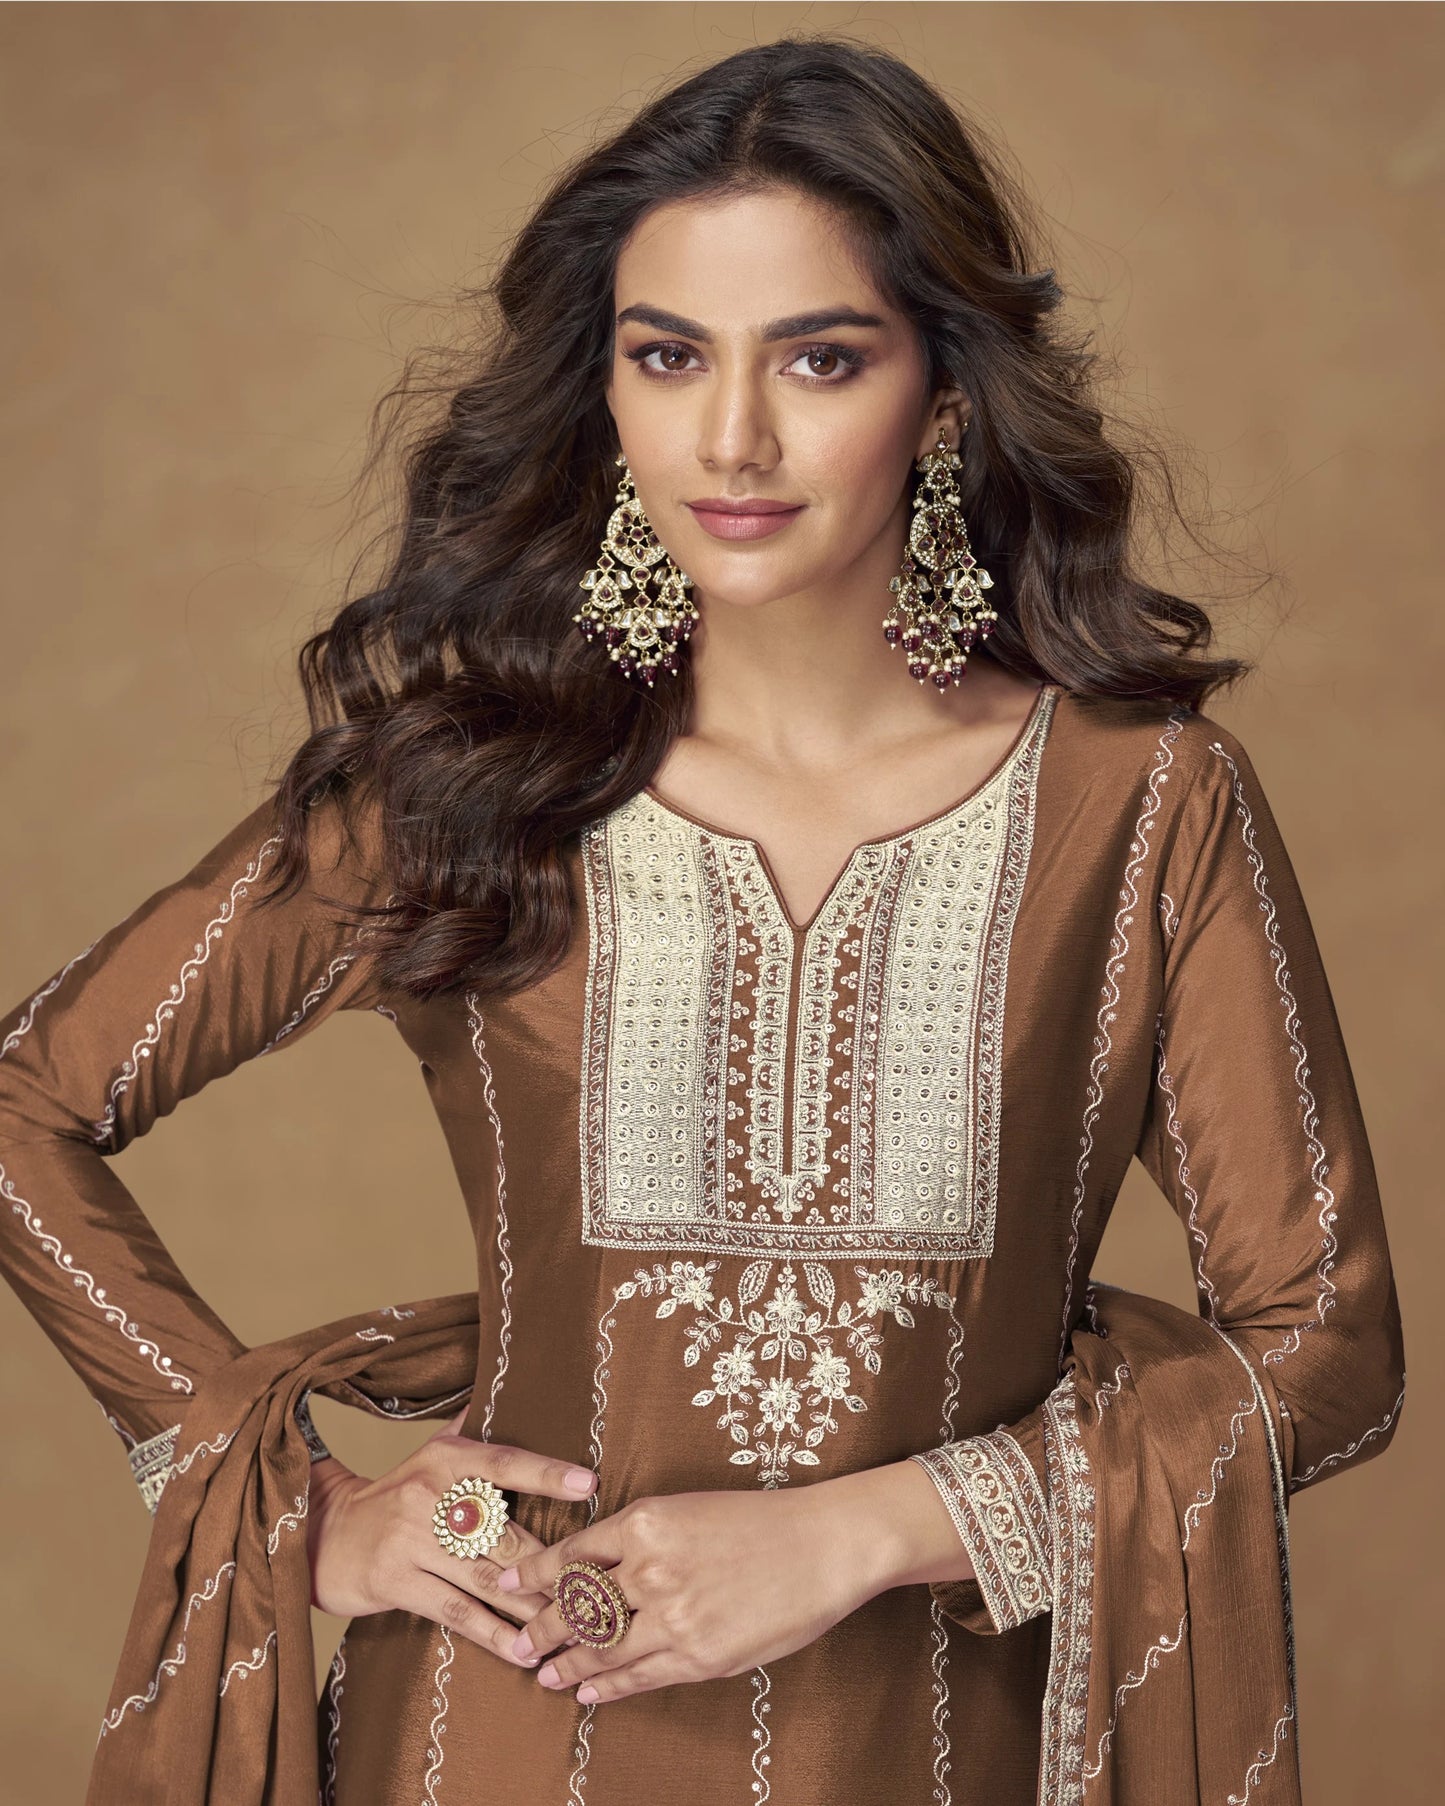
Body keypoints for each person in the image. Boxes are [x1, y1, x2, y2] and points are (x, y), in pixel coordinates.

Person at [0, 36, 1404, 1806]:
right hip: (496, 1735)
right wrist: (308, 1510)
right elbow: (23, 1102)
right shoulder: (473, 784)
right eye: (667, 357)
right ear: (604, 395)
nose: (730, 438)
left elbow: (1324, 1345)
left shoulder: (1141, 807)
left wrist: (864, 1529)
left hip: (948, 1743)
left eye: (819, 357)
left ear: (945, 392)